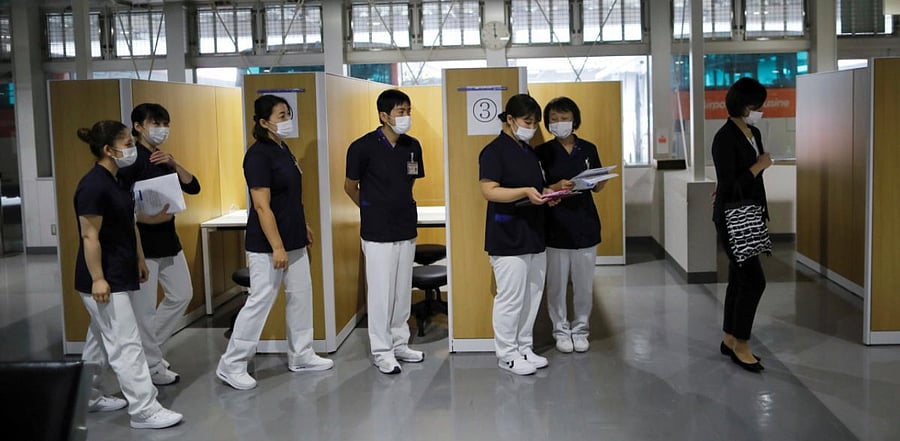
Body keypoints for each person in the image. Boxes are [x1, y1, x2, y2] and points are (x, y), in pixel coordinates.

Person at [217, 95, 333, 390]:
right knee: (260, 301)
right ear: (263, 121)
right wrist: (277, 246)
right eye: (281, 115)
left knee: (301, 296)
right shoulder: (257, 156)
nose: (287, 119)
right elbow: (262, 206)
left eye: (288, 113)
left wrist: (303, 225)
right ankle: (232, 364)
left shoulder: (284, 149)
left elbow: (291, 197)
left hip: (293, 238)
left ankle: (301, 354)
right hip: (268, 244)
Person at [74, 121, 183, 429]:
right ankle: (144, 409)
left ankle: (88, 396)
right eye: (126, 142)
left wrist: (139, 258)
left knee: (99, 340)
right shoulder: (92, 185)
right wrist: (98, 277)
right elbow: (89, 237)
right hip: (102, 277)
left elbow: (129, 223)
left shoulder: (118, 179)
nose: (132, 147)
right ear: (109, 150)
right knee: (125, 343)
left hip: (121, 269)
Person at [344, 89, 426, 375]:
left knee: (402, 290)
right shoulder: (362, 147)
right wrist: (371, 208)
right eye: (400, 112)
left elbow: (409, 182)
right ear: (383, 115)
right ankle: (382, 350)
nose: (406, 117)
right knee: (380, 292)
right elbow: (349, 186)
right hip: (377, 231)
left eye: (408, 111)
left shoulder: (412, 145)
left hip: (405, 226)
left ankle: (399, 343)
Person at [119, 103, 200, 386]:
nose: (162, 129)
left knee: (182, 294)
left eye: (165, 123)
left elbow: (193, 186)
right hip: (143, 243)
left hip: (168, 238)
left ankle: (146, 352)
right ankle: (151, 364)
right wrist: (145, 219)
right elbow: (124, 203)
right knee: (144, 309)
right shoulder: (132, 160)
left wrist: (173, 163)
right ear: (138, 126)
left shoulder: (161, 156)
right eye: (155, 123)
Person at [478, 94, 557, 376]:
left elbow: (536, 186)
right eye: (527, 121)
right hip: (507, 234)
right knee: (510, 298)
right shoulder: (494, 151)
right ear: (510, 120)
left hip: (534, 232)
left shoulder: (528, 151)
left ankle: (524, 347)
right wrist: (524, 192)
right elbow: (489, 190)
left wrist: (549, 193)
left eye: (535, 123)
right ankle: (507, 354)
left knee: (532, 294)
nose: (532, 127)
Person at [712, 77, 772, 373]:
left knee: (739, 279)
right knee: (754, 281)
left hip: (751, 213)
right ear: (743, 104)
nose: (760, 110)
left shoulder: (753, 132)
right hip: (732, 217)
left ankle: (729, 336)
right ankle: (742, 344)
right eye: (756, 105)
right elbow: (730, 183)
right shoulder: (724, 138)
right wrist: (758, 166)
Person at [535, 97, 604, 354]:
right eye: (553, 119)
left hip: (585, 223)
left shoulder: (588, 149)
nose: (559, 123)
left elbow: (598, 183)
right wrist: (555, 187)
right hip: (555, 225)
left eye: (564, 118)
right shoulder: (542, 152)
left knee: (584, 284)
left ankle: (581, 328)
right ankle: (560, 330)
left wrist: (596, 181)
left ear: (574, 120)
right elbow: (538, 187)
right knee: (556, 284)